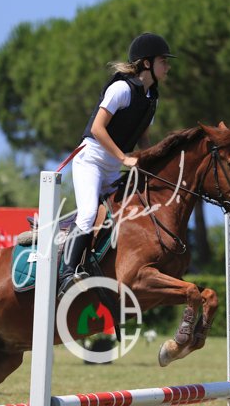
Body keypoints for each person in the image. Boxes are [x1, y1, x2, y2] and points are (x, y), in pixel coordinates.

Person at [57, 32, 176, 300]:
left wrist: (148, 161)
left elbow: (143, 136)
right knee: (88, 214)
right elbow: (98, 129)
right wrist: (124, 159)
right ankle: (66, 275)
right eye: (163, 61)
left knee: (130, 213)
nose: (167, 67)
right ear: (147, 63)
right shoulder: (121, 89)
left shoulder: (151, 97)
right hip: (91, 159)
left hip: (112, 166)